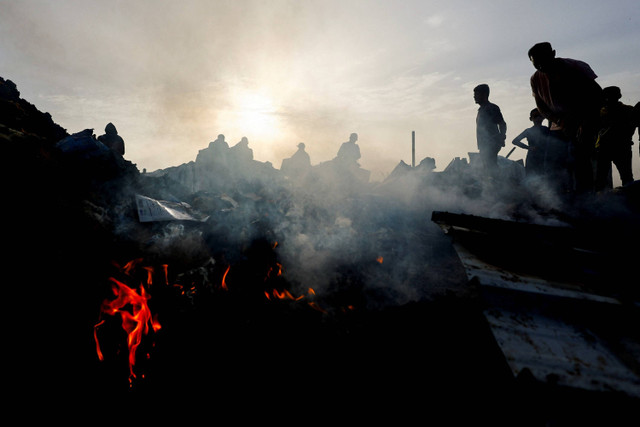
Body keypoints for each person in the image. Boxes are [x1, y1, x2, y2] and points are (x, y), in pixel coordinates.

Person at [528, 42, 603, 193]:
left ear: (553, 54)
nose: (541, 67)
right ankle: (561, 200)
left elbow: (597, 96)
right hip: (558, 125)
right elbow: (541, 107)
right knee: (555, 162)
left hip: (585, 121)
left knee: (581, 160)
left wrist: (584, 123)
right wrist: (559, 121)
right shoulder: (535, 78)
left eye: (544, 62)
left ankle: (586, 199)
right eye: (537, 65)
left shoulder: (575, 67)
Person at [594, 86, 637, 190]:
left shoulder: (627, 110)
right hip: (609, 148)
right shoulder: (628, 110)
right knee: (603, 178)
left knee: (625, 178)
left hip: (618, 147)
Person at [474, 84, 507, 175]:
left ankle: (496, 185)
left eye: (477, 94)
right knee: (487, 167)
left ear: (484, 94)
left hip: (491, 143)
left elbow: (502, 123)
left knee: (491, 166)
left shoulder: (491, 108)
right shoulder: (481, 110)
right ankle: (491, 185)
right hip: (484, 144)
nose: (474, 97)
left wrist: (502, 137)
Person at [511, 108, 548, 176]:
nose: (538, 118)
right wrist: (529, 147)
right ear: (531, 118)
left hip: (544, 157)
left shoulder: (546, 130)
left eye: (539, 115)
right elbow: (515, 141)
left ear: (543, 117)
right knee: (531, 178)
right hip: (532, 158)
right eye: (535, 116)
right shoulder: (528, 131)